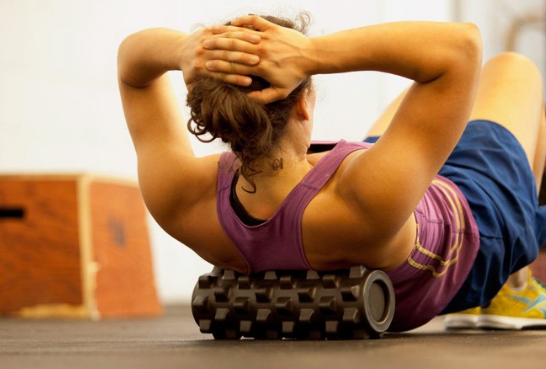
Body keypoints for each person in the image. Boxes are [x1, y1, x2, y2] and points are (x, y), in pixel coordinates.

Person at [117, 14, 546, 332]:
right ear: (303, 104)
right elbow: (462, 47)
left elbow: (132, 67)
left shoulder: (182, 197)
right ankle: (513, 283)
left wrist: (184, 49)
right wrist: (312, 54)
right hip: (473, 221)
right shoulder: (359, 195)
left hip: (391, 189)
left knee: (419, 103)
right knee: (513, 69)